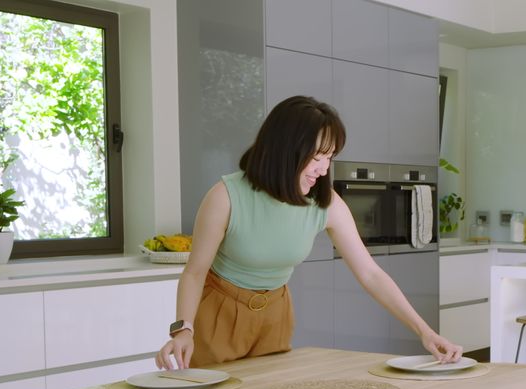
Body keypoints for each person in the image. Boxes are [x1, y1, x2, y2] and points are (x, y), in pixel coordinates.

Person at [156, 95, 461, 370]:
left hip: (276, 313)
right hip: (218, 312)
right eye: (316, 157)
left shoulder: (325, 204)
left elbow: (371, 274)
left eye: (330, 157)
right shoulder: (225, 197)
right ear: (283, 150)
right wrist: (183, 330)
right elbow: (195, 272)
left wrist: (425, 332)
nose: (324, 169)